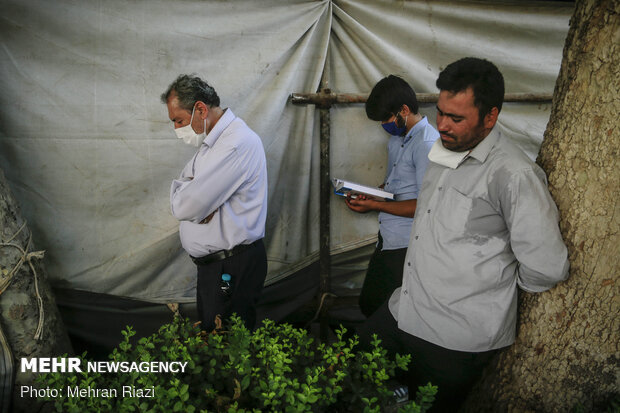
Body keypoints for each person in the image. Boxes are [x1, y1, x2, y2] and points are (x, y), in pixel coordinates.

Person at [357, 58, 569, 411]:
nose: (442, 125)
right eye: (441, 112)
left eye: (456, 118)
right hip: (406, 307)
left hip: (453, 336)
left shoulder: (514, 175)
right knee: (356, 368)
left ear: (490, 117)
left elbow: (546, 267)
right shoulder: (443, 149)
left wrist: (487, 285)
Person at [161, 74, 268, 332]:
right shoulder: (213, 144)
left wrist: (196, 201)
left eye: (179, 120)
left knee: (226, 344)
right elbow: (189, 196)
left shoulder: (234, 145)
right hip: (217, 267)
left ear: (200, 109)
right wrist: (199, 199)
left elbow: (184, 207)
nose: (177, 129)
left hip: (230, 265)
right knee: (213, 337)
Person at [346, 75, 438, 318]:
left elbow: (424, 205)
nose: (384, 125)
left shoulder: (427, 144)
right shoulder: (396, 141)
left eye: (387, 118)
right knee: (371, 304)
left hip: (410, 244)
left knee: (393, 314)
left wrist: (375, 205)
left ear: (404, 110)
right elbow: (395, 187)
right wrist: (369, 195)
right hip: (387, 239)